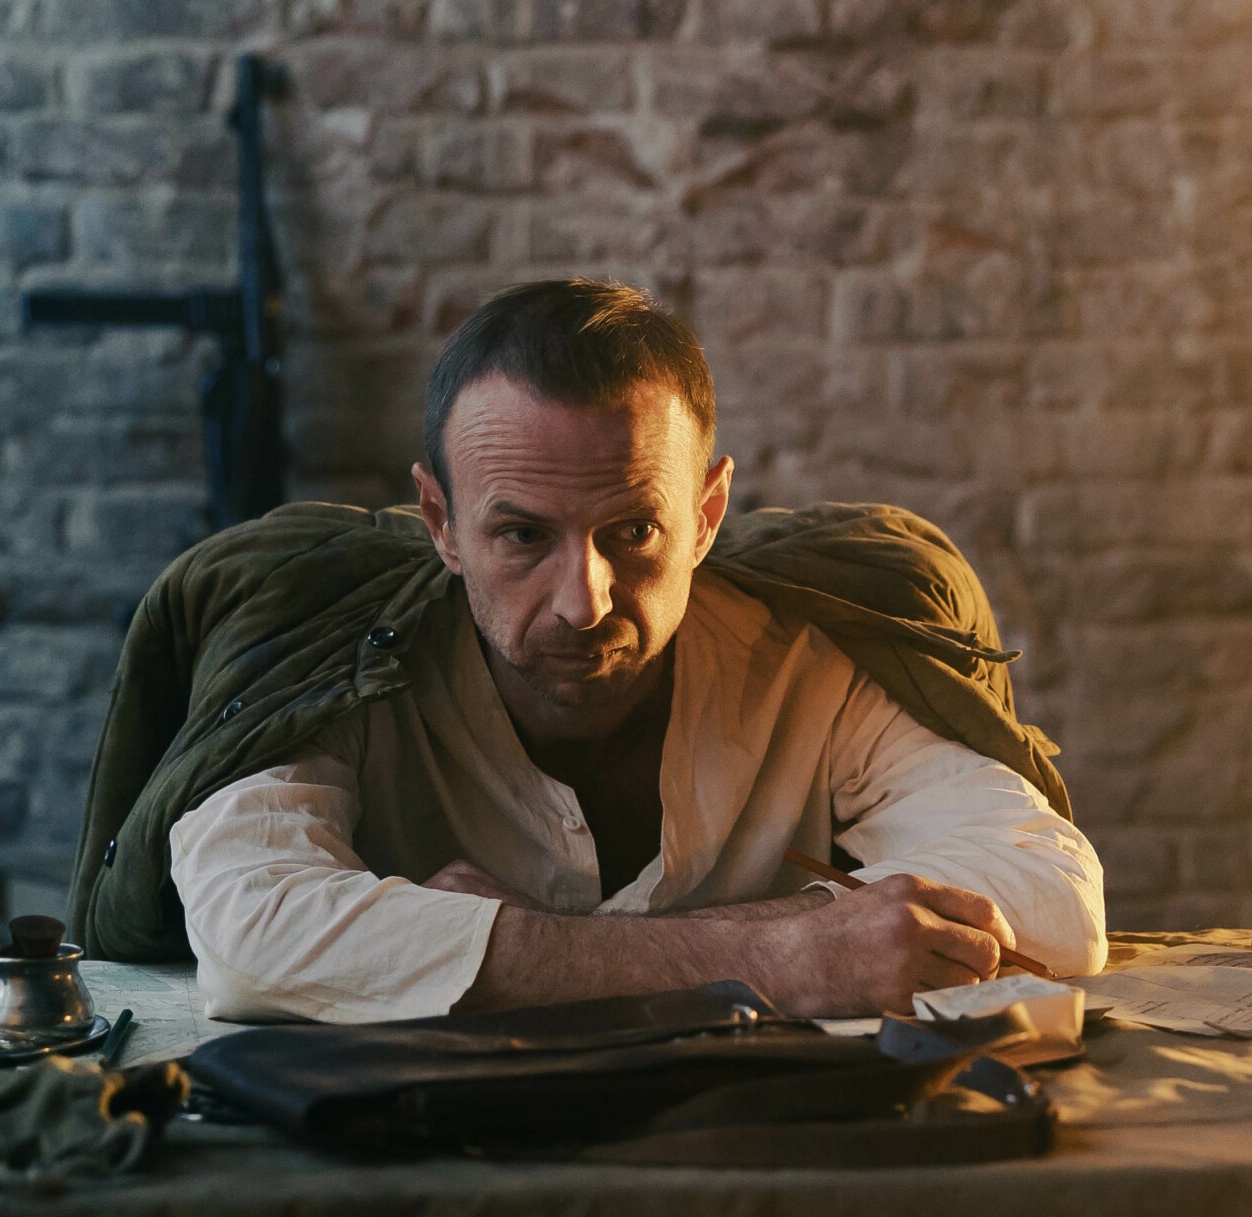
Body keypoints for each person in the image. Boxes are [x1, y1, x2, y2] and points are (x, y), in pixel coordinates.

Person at [153, 279, 1105, 1022]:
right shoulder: (351, 670)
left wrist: (532, 951)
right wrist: (781, 956)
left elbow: (1055, 898)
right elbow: (247, 938)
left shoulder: (812, 664)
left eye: (633, 532)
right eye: (523, 535)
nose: (584, 603)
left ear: (707, 515)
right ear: (439, 522)